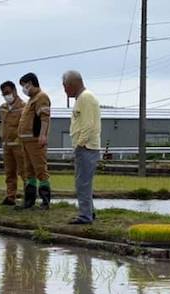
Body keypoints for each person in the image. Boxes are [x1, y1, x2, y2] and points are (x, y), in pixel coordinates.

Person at [64, 70, 101, 225]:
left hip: (86, 147)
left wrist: (80, 144)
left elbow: (87, 124)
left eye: (65, 86)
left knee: (82, 183)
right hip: (87, 146)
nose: (65, 90)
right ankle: (89, 212)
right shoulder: (83, 98)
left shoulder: (85, 98)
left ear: (72, 84)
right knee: (85, 182)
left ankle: (85, 215)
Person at [16, 72, 52, 211]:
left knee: (40, 170)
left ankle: (45, 200)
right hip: (25, 141)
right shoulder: (31, 100)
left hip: (35, 140)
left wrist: (42, 135)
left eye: (24, 86)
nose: (24, 89)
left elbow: (44, 118)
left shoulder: (41, 97)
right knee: (28, 171)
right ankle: (29, 200)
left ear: (30, 83)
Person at [0, 81, 27, 206]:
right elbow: (1, 123)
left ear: (14, 91)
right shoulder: (2, 108)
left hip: (19, 145)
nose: (6, 95)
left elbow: (25, 125)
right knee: (9, 172)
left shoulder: (23, 107)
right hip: (6, 145)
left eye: (8, 92)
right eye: (4, 93)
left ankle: (29, 196)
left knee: (24, 171)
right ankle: (10, 196)